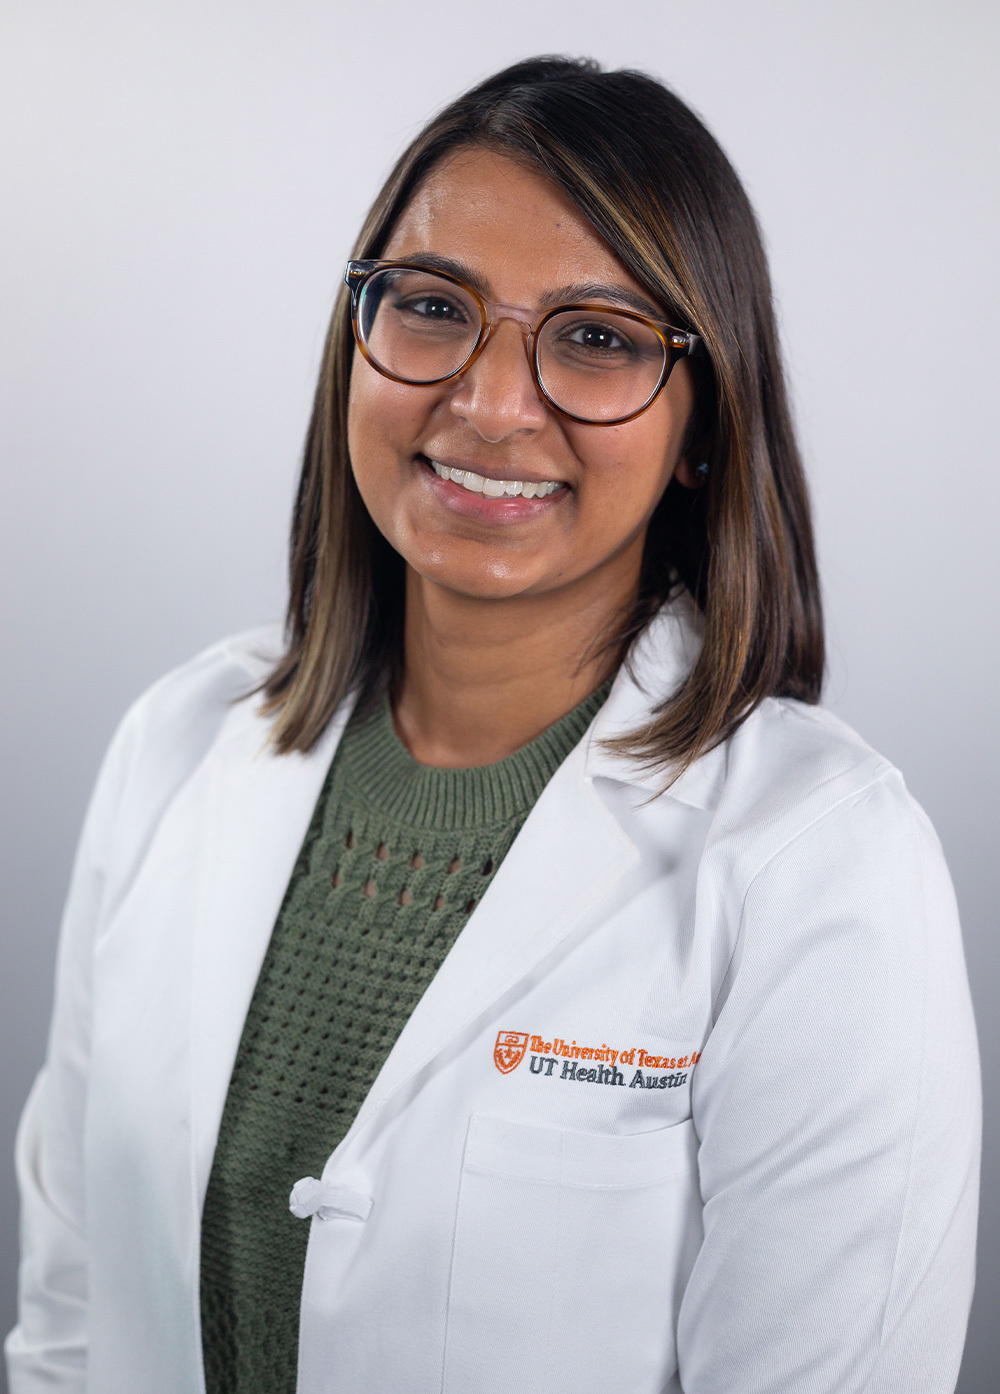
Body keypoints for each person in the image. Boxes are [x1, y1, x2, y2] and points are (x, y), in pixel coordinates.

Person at [5, 55, 980, 1394]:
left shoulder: (824, 863)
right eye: (430, 307)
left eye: (597, 337)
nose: (489, 402)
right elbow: (70, 1323)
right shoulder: (174, 748)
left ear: (703, 422)